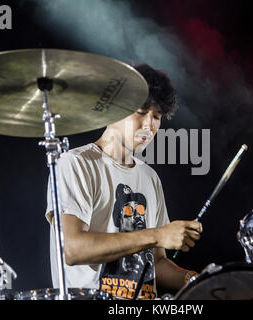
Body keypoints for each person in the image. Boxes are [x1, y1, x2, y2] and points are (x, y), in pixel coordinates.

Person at [45, 64, 202, 299]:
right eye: (141, 111)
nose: (149, 126)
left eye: (157, 117)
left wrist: (197, 280)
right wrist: (158, 235)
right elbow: (73, 248)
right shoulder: (75, 163)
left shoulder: (149, 178)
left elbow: (156, 263)